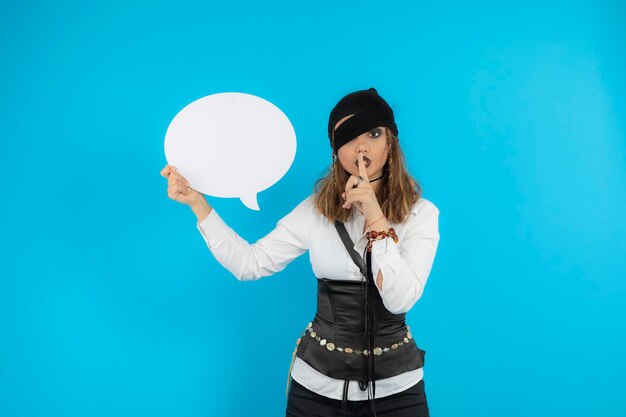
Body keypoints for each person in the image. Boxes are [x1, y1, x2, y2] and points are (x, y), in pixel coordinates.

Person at [160, 88, 440, 417]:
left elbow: (399, 299)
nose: (362, 147)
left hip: (398, 390)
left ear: (390, 142)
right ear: (336, 152)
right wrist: (198, 204)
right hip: (316, 389)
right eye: (348, 138)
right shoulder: (316, 211)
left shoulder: (421, 214)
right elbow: (251, 264)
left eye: (374, 134)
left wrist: (375, 217)